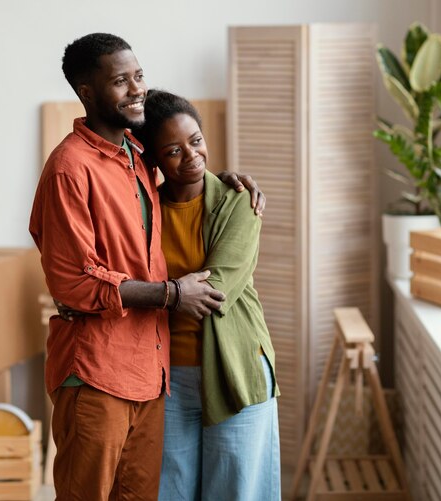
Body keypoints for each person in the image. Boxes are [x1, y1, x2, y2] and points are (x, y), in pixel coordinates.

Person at [29, 33, 264, 501]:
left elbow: (180, 154)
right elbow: (73, 281)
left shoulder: (137, 158)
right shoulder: (69, 169)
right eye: (121, 81)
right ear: (87, 93)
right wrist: (172, 294)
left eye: (139, 76)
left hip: (149, 375)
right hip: (95, 371)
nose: (136, 88)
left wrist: (224, 181)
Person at [131, 89, 281, 501]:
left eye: (196, 141)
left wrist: (159, 294)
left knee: (237, 492)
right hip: (166, 380)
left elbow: (216, 291)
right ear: (154, 159)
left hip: (235, 369)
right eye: (174, 151)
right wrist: (176, 293)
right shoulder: (145, 212)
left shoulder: (238, 201)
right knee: (168, 491)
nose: (192, 156)